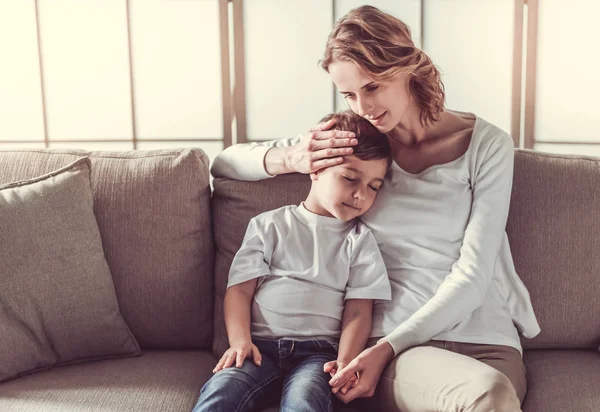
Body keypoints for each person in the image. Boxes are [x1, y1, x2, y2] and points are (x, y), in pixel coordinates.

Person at [210, 5, 541, 412]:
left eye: (372, 87)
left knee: (492, 390)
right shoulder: (355, 146)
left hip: (486, 340)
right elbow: (224, 162)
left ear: (407, 68)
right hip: (401, 348)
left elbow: (474, 274)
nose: (362, 106)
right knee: (487, 395)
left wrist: (384, 349)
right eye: (348, 94)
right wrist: (293, 158)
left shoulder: (487, 145)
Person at [193, 111, 393, 412]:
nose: (360, 195)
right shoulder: (269, 225)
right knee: (222, 392)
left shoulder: (360, 241)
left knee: (305, 402)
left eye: (373, 186)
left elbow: (358, 311)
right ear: (315, 170)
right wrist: (239, 342)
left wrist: (344, 360)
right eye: (350, 178)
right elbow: (240, 290)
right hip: (259, 349)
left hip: (318, 355)